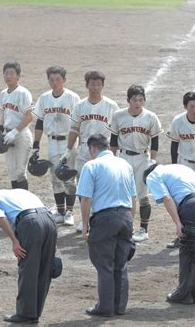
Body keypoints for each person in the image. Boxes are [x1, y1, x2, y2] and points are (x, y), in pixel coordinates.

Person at [76, 134, 136, 317]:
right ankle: (119, 307)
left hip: (105, 218)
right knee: (121, 264)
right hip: (125, 216)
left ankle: (105, 307)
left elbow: (86, 198)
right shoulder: (125, 164)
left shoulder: (91, 165)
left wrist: (85, 225)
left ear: (92, 148)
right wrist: (130, 221)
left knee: (105, 265)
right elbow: (134, 198)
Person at [144, 163, 195, 304]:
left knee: (189, 250)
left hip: (193, 207)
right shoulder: (179, 167)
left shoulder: (152, 176)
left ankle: (183, 293)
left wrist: (177, 223)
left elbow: (167, 198)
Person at [0, 189, 57, 324]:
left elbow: (0, 217)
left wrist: (14, 241)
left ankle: (25, 314)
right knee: (44, 270)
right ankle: (34, 313)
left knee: (28, 269)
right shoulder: (19, 193)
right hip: (49, 221)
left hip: (30, 223)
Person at [61, 71, 119, 233]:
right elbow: (74, 129)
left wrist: (114, 153)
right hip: (84, 150)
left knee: (102, 185)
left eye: (98, 84)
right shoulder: (80, 106)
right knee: (83, 186)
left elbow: (115, 132)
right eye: (92, 84)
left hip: (103, 151)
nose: (95, 87)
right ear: (87, 85)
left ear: (102, 86)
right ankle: (85, 219)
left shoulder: (111, 106)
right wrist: (68, 150)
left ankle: (99, 218)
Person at [108, 84, 162, 242]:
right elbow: (113, 139)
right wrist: (111, 158)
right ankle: (125, 226)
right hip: (123, 157)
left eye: (140, 100)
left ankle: (144, 229)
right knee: (123, 193)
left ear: (144, 100)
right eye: (134, 100)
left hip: (142, 158)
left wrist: (152, 161)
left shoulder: (151, 117)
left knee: (142, 195)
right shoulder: (118, 116)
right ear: (128, 101)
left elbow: (155, 141)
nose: (137, 103)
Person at [33, 66, 80, 225]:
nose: (54, 83)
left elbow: (77, 124)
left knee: (69, 177)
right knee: (55, 177)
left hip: (69, 141)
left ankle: (70, 212)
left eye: (58, 80)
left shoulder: (73, 98)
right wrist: (36, 144)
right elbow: (39, 122)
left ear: (64, 80)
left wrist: (72, 146)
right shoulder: (44, 98)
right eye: (51, 80)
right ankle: (60, 211)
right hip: (52, 141)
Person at [0, 62, 33, 190]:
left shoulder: (23, 93)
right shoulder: (3, 94)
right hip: (8, 135)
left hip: (21, 135)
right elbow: (4, 113)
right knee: (12, 172)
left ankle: (24, 205)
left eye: (12, 73)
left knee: (20, 172)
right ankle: (16, 202)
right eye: (6, 73)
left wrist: (15, 132)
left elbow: (29, 116)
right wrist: (1, 127)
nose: (8, 76)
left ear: (18, 76)